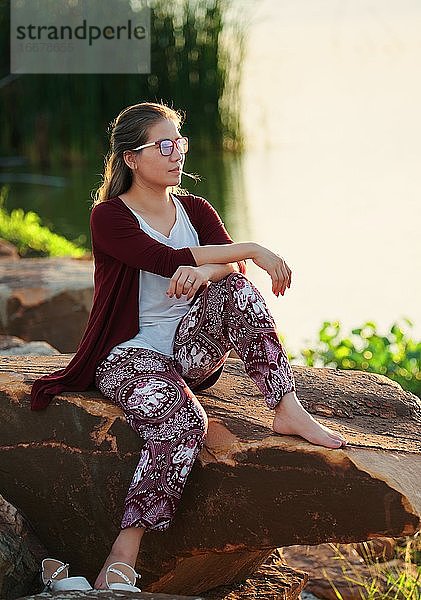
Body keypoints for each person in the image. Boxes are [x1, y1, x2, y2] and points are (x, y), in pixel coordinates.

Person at [30, 101, 347, 590]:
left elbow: (227, 270)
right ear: (132, 158)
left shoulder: (195, 209)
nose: (177, 154)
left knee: (237, 289)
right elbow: (162, 257)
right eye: (164, 145)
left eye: (180, 143)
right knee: (184, 424)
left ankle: (287, 408)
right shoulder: (110, 217)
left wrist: (210, 269)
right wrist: (252, 248)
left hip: (190, 350)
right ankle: (122, 558)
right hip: (130, 355)